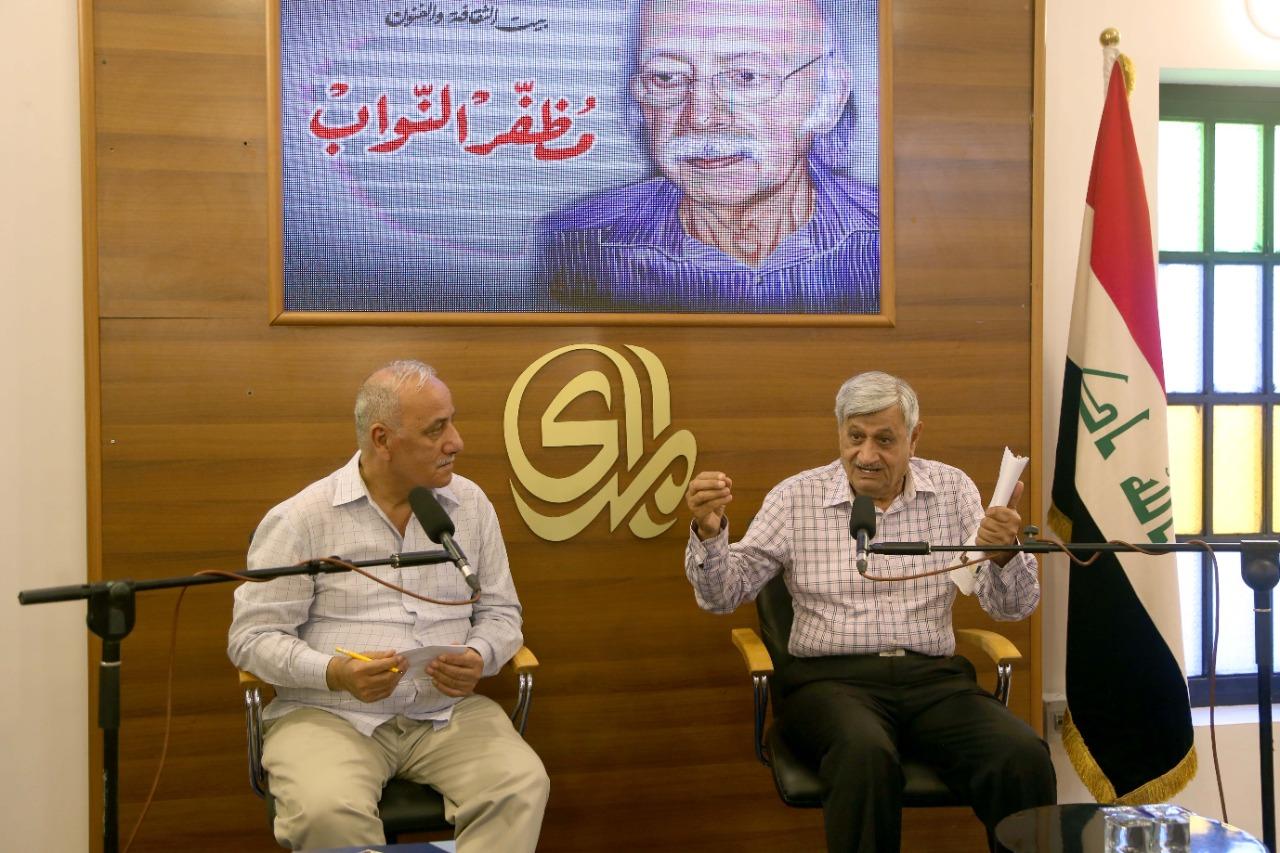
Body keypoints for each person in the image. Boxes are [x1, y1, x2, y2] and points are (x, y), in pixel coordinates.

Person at [683, 371, 1055, 852]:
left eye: (884, 440)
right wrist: (710, 532)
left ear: (914, 438)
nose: (866, 455)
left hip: (932, 682)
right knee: (864, 752)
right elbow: (721, 596)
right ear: (839, 432)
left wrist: (1005, 555)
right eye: (855, 437)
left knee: (1022, 755)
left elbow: (1012, 607)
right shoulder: (796, 497)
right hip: (829, 685)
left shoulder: (952, 489)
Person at [227, 359, 549, 851]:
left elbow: (502, 612)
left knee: (520, 785)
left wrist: (480, 655)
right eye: (436, 429)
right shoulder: (301, 519)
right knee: (326, 811)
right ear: (383, 439)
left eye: (452, 422)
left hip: (445, 713)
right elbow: (252, 640)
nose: (456, 442)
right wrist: (335, 672)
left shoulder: (470, 505)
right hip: (329, 714)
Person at [539, 0, 879, 314]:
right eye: (666, 77)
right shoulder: (574, 248)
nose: (700, 117)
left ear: (829, 97)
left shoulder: (887, 242)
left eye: (745, 77)